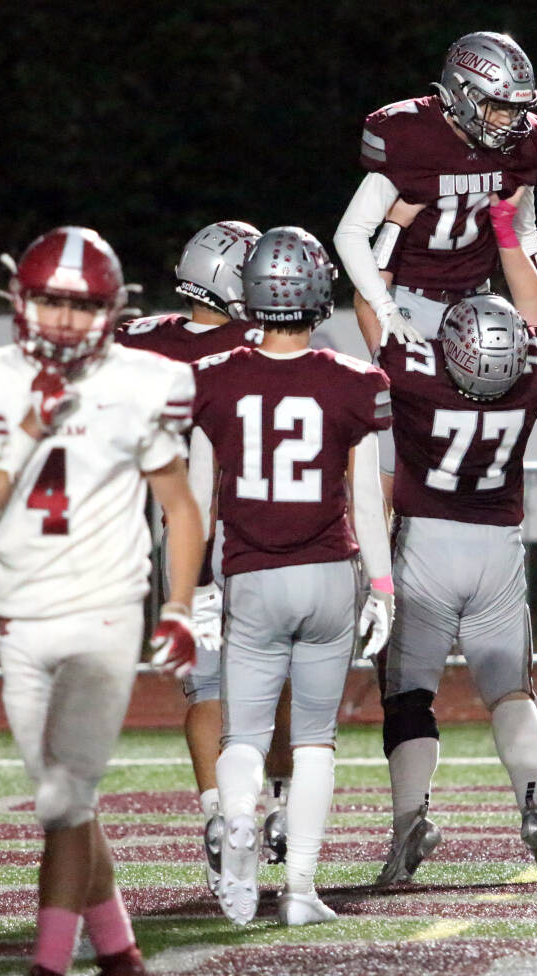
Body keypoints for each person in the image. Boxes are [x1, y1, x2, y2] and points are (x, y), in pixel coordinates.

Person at [0, 225, 205, 976]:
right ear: (19, 300)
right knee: (68, 800)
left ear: (111, 308)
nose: (62, 318)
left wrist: (179, 604)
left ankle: (51, 962)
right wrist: (31, 422)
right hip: (18, 615)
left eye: (80, 303)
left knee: (63, 798)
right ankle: (120, 947)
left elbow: (182, 508)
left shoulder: (144, 378)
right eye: (50, 301)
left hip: (104, 604)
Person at [372, 197, 537, 886]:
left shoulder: (417, 378)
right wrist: (506, 224)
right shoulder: (531, 378)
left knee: (409, 697)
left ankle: (412, 820)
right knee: (510, 692)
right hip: (497, 546)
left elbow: (368, 300)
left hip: (425, 550)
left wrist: (390, 227)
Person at [190, 227, 393, 927]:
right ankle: (301, 890)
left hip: (250, 576)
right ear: (318, 294)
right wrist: (385, 589)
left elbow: (196, 500)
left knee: (242, 738)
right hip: (328, 575)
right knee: (313, 740)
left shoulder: (213, 379)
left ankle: (241, 819)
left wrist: (192, 589)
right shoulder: (355, 381)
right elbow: (367, 499)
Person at [115, 220, 296, 890]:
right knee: (276, 686)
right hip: (267, 531)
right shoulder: (261, 340)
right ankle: (272, 803)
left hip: (183, 537)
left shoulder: (139, 340)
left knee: (208, 691)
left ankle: (221, 816)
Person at [333, 30, 537, 351]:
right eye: (496, 107)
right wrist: (385, 308)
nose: (507, 122)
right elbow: (352, 232)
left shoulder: (523, 145)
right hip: (408, 297)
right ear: (460, 92)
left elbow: (523, 233)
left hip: (479, 304)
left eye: (514, 110)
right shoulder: (411, 137)